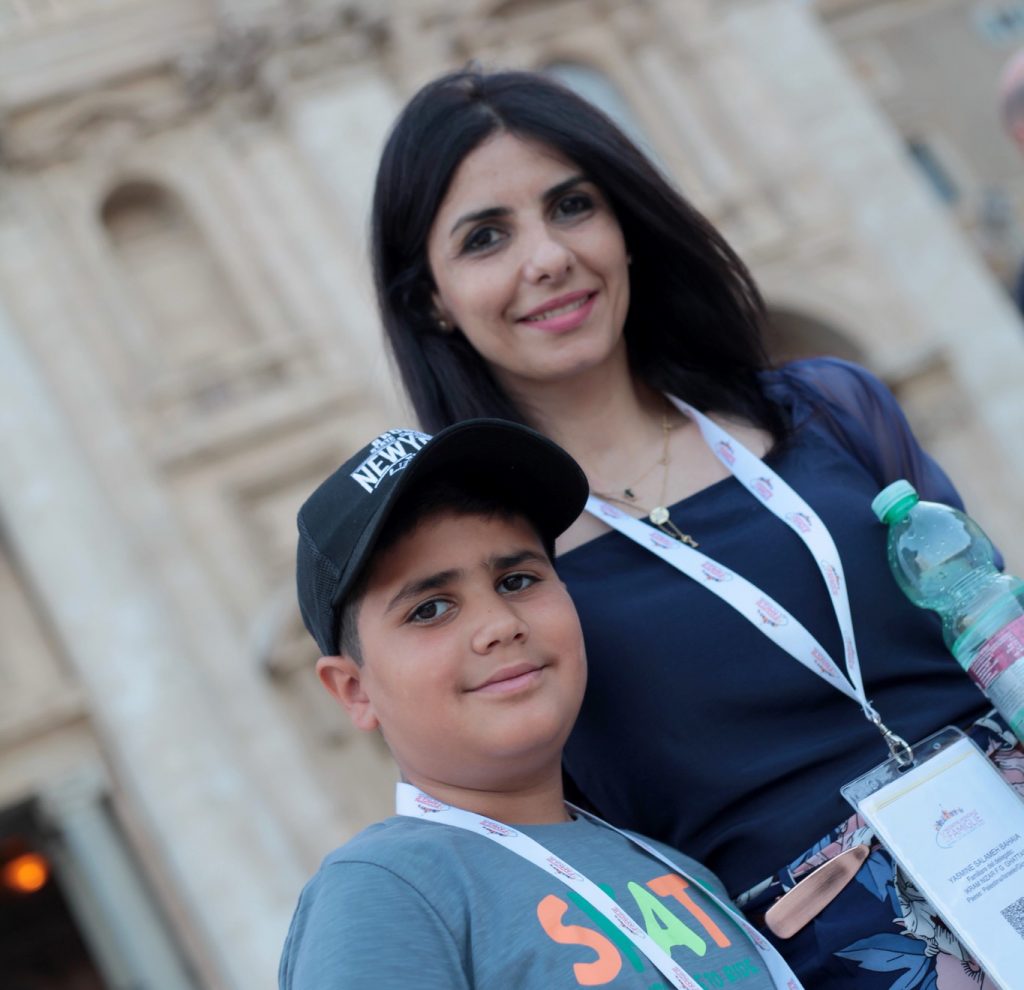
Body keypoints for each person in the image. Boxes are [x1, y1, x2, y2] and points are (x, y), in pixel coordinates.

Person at [370, 68, 1024, 988]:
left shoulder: (830, 408)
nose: (547, 257)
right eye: (486, 237)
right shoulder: (494, 572)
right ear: (431, 298)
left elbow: (996, 629)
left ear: (625, 223)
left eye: (572, 206)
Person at [280, 419, 804, 990]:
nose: (499, 625)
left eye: (517, 581)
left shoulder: (674, 867)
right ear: (354, 690)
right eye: (430, 609)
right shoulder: (384, 891)